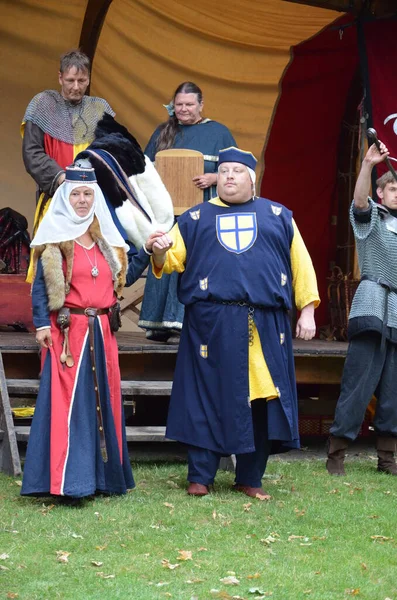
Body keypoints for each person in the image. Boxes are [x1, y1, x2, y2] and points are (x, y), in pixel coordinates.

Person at [151, 147, 319, 498]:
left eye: (237, 171)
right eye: (224, 170)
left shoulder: (278, 215)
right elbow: (170, 261)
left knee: (260, 401)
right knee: (205, 398)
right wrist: (158, 248)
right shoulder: (194, 218)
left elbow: (300, 264)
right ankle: (200, 476)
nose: (229, 176)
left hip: (265, 324)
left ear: (251, 179)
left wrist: (307, 310)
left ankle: (250, 478)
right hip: (210, 323)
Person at [21, 166, 163, 501]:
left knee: (104, 403)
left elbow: (124, 279)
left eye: (88, 194)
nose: (82, 200)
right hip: (68, 332)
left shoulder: (105, 236)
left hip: (102, 331)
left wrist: (149, 250)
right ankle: (70, 483)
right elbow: (41, 287)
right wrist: (42, 324)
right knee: (70, 403)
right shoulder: (53, 236)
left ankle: (104, 479)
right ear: (65, 198)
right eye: (76, 194)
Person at [139, 81, 236, 343]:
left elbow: (240, 171)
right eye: (179, 104)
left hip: (202, 212)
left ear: (201, 105)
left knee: (194, 264)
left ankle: (184, 324)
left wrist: (215, 177)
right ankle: (159, 323)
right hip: (167, 213)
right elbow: (143, 170)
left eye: (189, 105)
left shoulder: (219, 133)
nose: (183, 109)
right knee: (165, 257)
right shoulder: (163, 132)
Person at [326, 141, 397, 476]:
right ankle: (336, 454)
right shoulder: (373, 220)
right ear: (381, 194)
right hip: (372, 302)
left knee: (394, 390)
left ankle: (387, 459)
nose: (396, 193)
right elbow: (358, 201)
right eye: (392, 188)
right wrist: (368, 166)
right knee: (358, 383)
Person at [22, 49, 114, 281]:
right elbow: (32, 152)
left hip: (91, 202)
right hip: (55, 200)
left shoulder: (99, 109)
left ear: (88, 80)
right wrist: (62, 178)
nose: (75, 86)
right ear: (60, 77)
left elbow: (113, 150)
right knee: (51, 265)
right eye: (70, 80)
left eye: (81, 80)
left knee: (91, 265)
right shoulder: (43, 105)